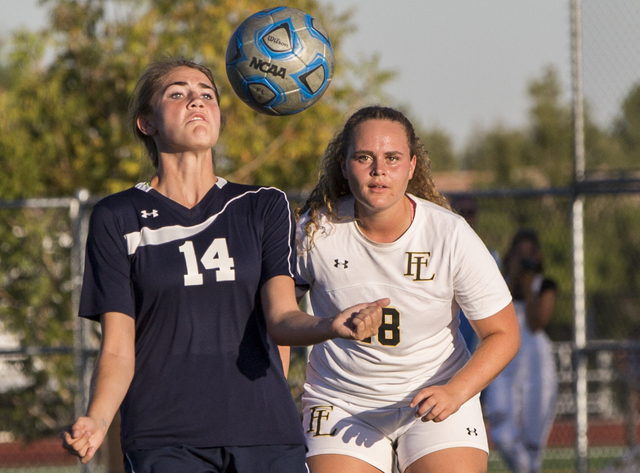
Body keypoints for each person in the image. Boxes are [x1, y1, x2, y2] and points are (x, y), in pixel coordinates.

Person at [60, 57, 388, 473]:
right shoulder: (117, 215)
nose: (196, 101)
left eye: (207, 95)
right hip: (164, 439)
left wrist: (331, 326)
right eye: (178, 93)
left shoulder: (262, 205)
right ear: (147, 122)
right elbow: (118, 349)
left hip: (265, 434)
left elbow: (282, 319)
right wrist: (98, 418)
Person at [295, 106, 520, 473]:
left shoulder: (449, 234)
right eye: (364, 157)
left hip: (436, 396)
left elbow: (504, 333)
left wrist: (456, 392)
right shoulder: (316, 231)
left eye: (392, 158)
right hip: (342, 403)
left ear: (412, 166)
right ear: (343, 164)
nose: (378, 169)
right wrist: (326, 327)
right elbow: (278, 319)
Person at [484, 229, 558, 473]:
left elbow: (538, 323)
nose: (525, 259)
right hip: (504, 360)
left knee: (533, 440)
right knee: (502, 431)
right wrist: (511, 279)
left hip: (537, 362)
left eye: (530, 254)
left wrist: (527, 286)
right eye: (520, 254)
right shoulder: (499, 283)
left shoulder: (544, 285)